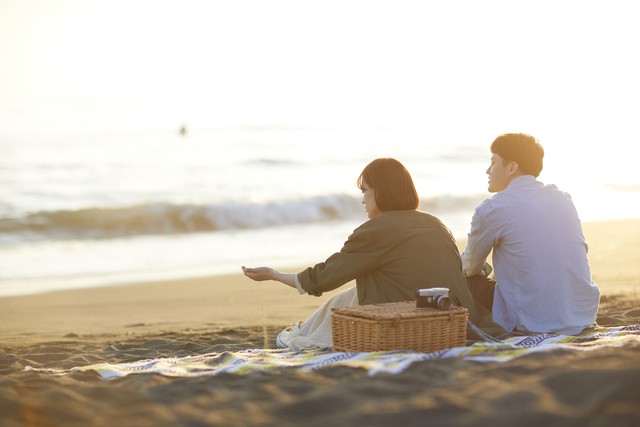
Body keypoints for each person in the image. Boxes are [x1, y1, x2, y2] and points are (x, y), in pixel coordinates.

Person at [242, 157, 499, 350]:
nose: (363, 199)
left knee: (323, 319)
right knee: (348, 296)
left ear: (382, 191)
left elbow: (323, 278)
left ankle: (302, 332)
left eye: (365, 190)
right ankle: (305, 329)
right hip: (454, 319)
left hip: (401, 320)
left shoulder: (373, 230)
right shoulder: (436, 223)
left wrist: (273, 274)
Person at [461, 133, 600, 336]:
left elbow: (469, 267)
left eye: (493, 162)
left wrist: (479, 268)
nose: (488, 170)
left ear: (511, 167)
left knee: (465, 279)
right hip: (582, 315)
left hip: (532, 321)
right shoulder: (563, 199)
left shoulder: (492, 209)